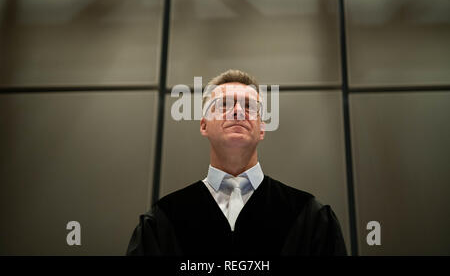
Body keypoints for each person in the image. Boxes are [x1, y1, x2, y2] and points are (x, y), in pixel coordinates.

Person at [126, 69, 347, 256]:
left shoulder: (311, 218)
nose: (238, 111)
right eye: (223, 104)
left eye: (249, 106)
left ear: (262, 129)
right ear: (203, 125)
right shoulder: (162, 221)